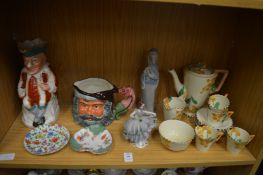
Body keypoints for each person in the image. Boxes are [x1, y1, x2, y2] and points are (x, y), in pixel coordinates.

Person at [17, 38, 59, 127]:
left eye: (34, 61)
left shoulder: (46, 71)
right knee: (26, 103)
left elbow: (53, 82)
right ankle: (39, 117)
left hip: (44, 95)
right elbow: (21, 82)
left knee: (42, 102)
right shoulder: (24, 72)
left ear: (43, 60)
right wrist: (21, 90)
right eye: (26, 61)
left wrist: (48, 87)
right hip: (29, 96)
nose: (28, 65)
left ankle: (37, 119)